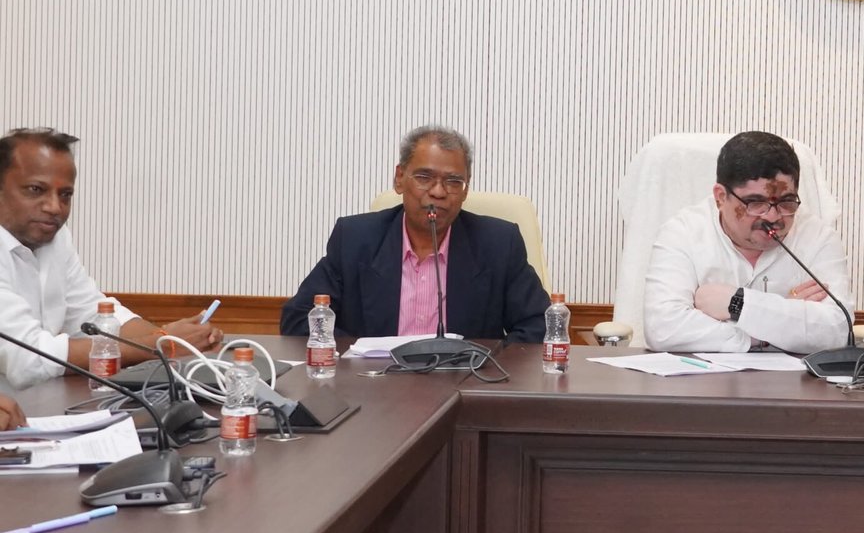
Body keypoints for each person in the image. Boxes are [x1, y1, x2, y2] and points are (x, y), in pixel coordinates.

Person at [0, 128, 223, 392]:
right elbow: (29, 357)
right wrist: (159, 344)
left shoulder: (54, 238)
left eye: (65, 195)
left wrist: (174, 339)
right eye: (36, 190)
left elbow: (95, 315)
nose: (54, 207)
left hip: (38, 404)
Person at [280, 126, 549, 342]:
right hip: (375, 385)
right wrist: (358, 358)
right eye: (424, 177)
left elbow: (539, 327)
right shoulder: (354, 239)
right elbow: (299, 318)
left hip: (461, 385)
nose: (438, 192)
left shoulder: (499, 244)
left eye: (453, 181)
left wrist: (483, 365)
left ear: (465, 190)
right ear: (399, 178)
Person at [643, 131, 852, 353]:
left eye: (786, 202)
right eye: (756, 203)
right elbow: (662, 330)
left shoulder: (819, 238)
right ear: (721, 197)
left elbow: (836, 331)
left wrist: (736, 303)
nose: (772, 216)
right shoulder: (682, 233)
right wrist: (780, 321)